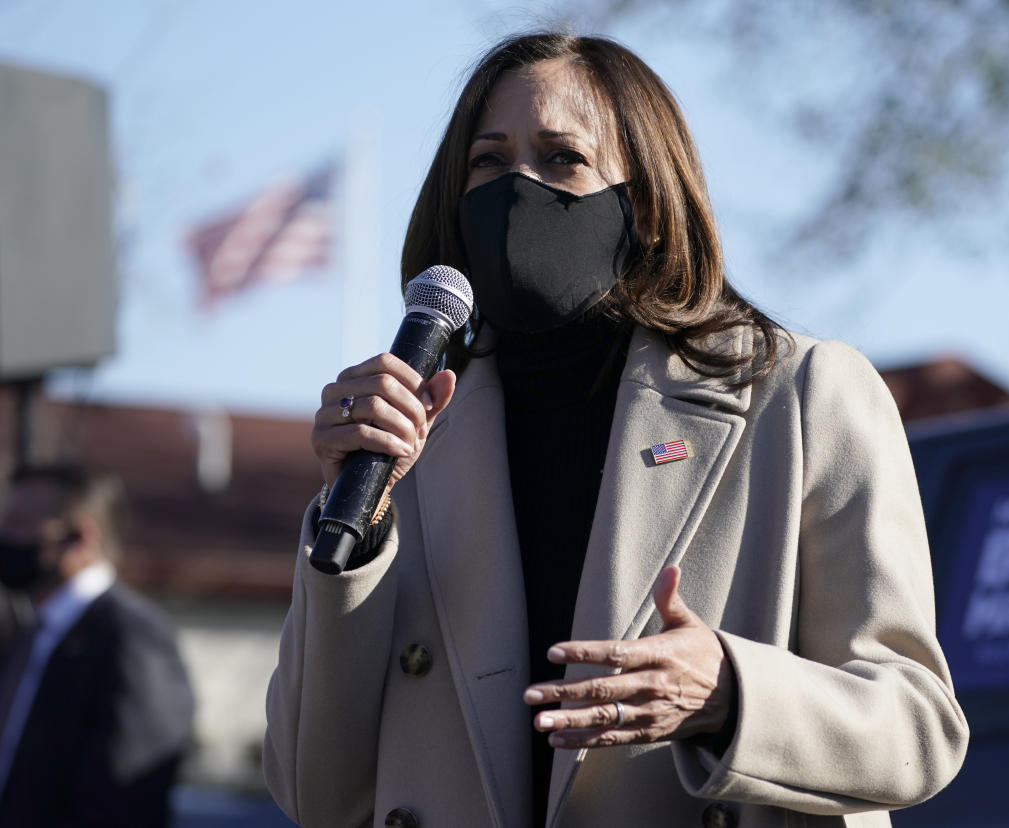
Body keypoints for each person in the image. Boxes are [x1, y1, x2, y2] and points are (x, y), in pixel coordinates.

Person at [264, 32, 968, 828]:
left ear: (649, 210)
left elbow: (919, 729)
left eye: (562, 158)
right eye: (489, 164)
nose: (517, 189)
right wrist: (353, 523)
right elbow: (311, 792)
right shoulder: (412, 443)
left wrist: (731, 693)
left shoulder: (800, 396)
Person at [0, 464, 195, 827]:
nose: (6, 535)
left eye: (19, 522)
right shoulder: (27, 636)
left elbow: (131, 799)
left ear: (80, 536)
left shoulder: (133, 637)